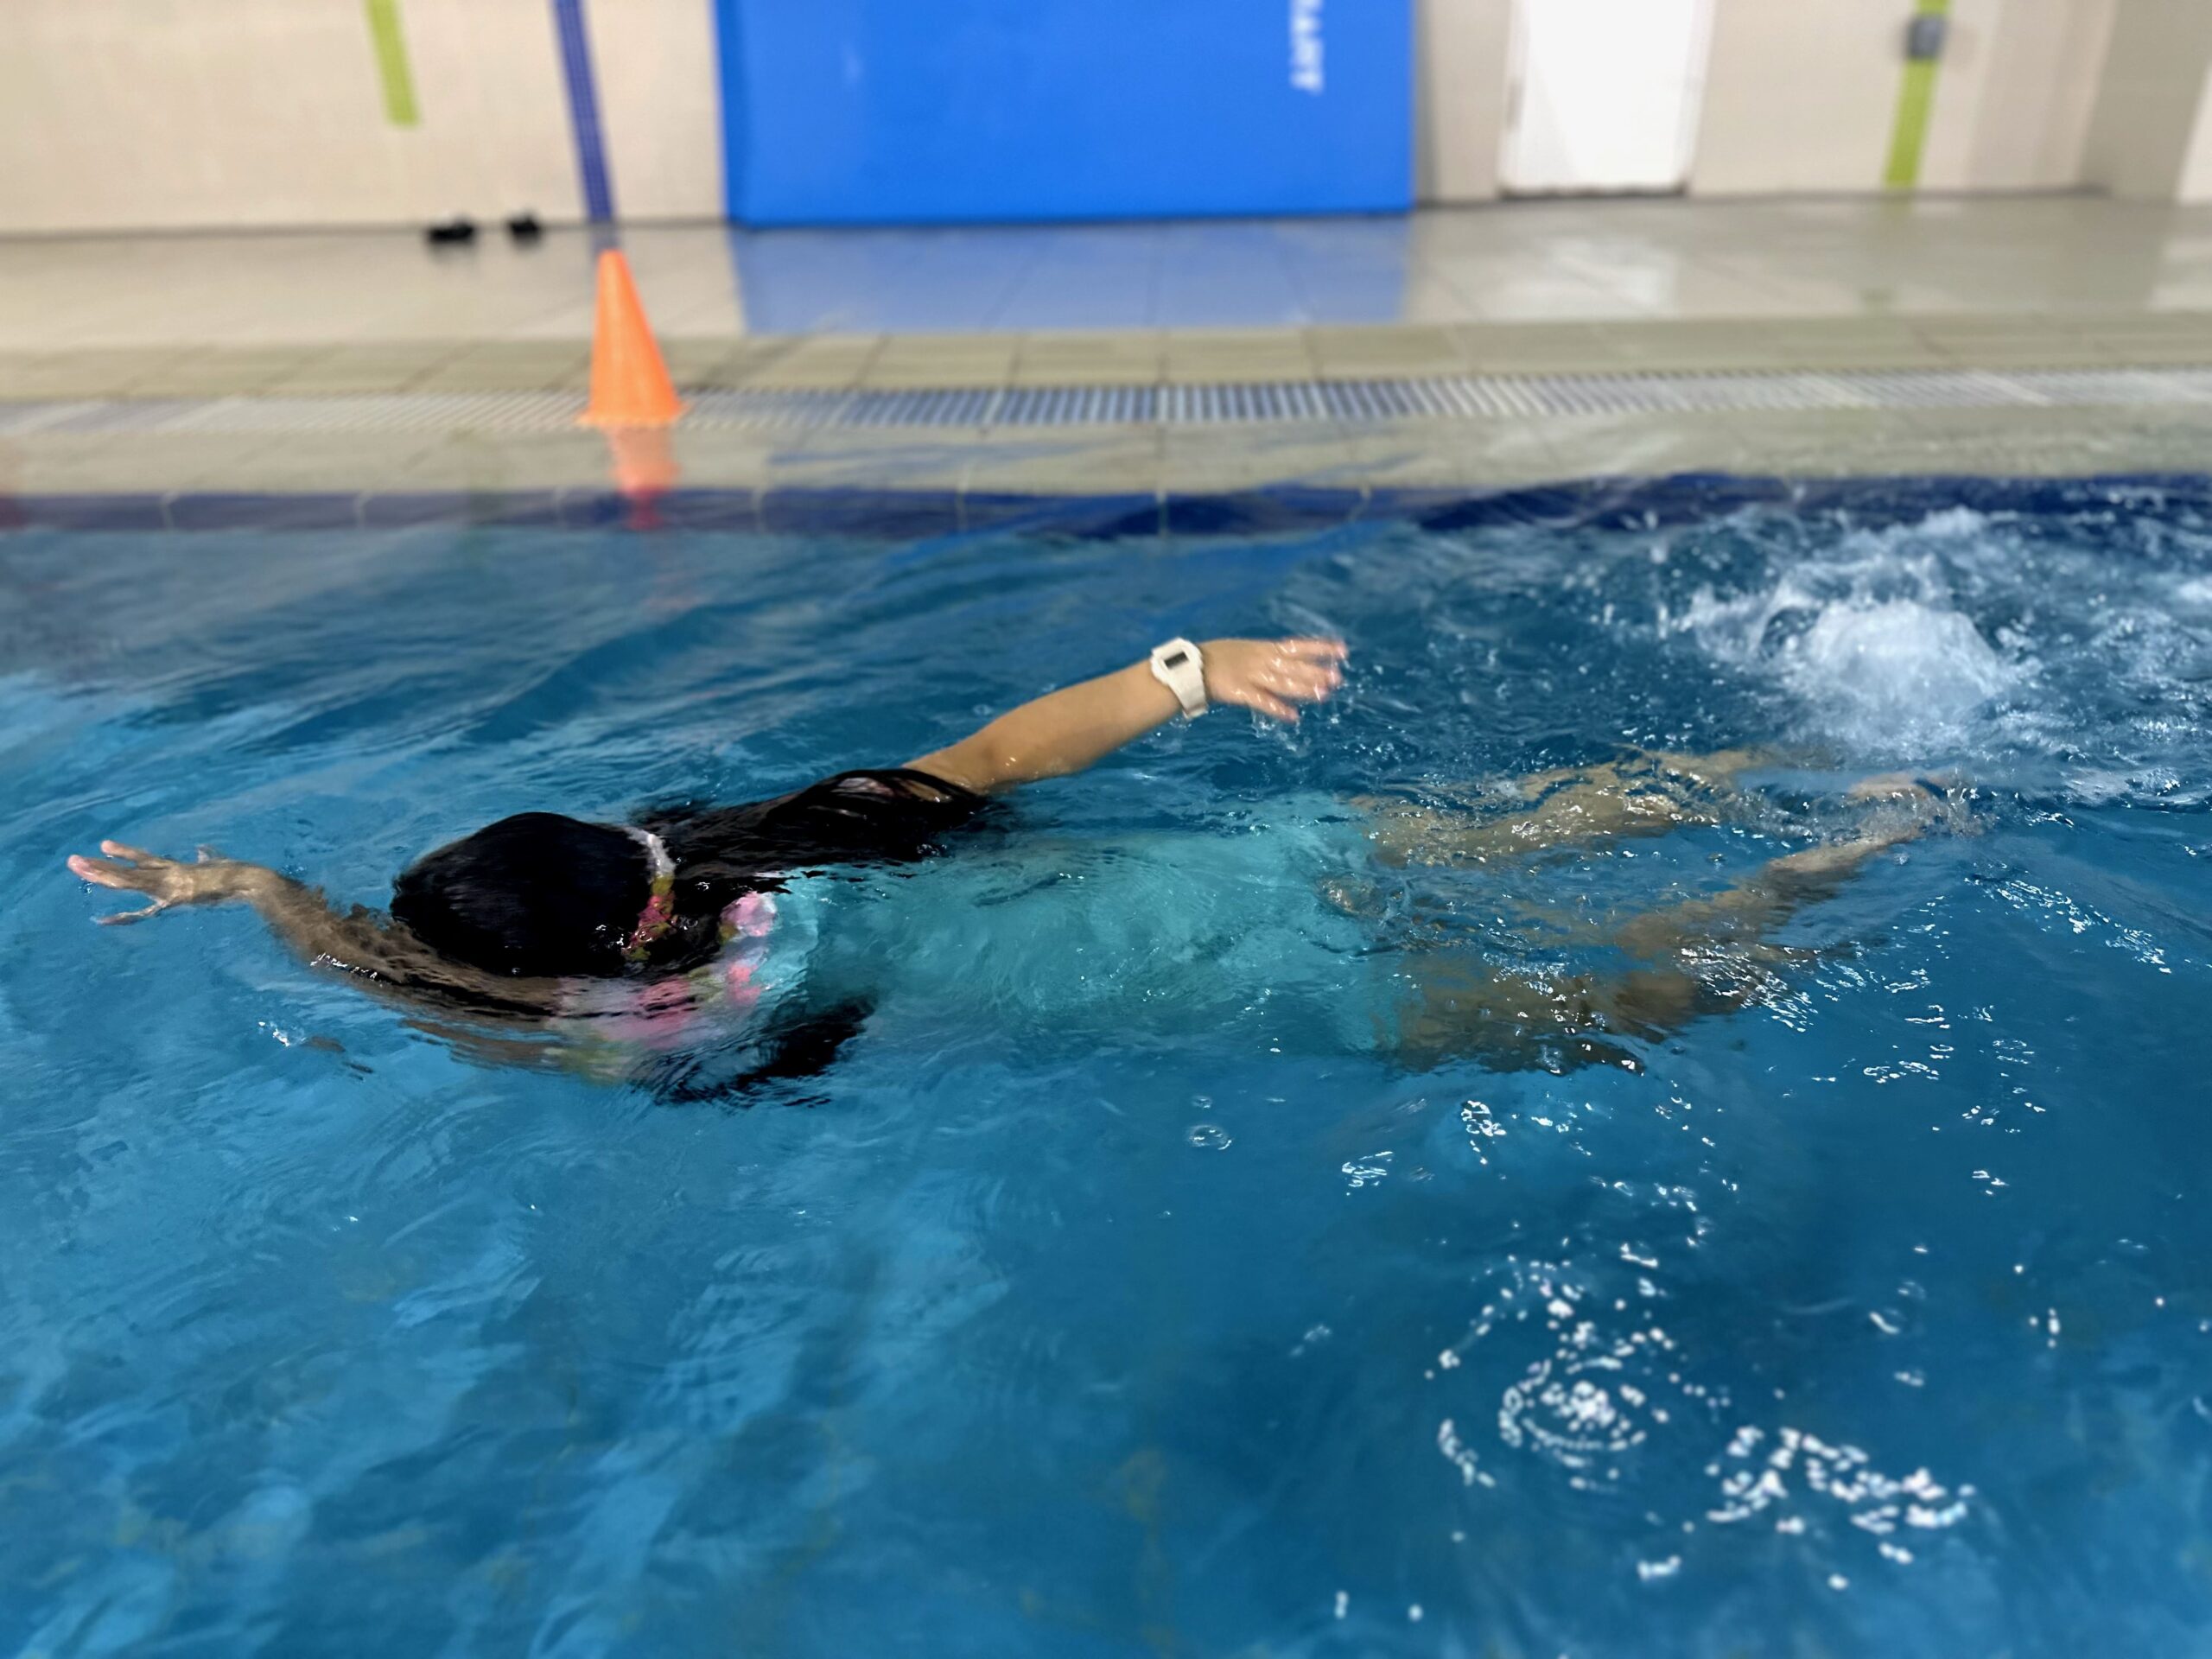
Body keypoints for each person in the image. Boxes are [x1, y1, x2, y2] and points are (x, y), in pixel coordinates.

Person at [65, 635, 1950, 1091]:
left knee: (1608, 994)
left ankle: (1865, 856)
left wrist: (266, 911)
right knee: (1541, 822)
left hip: (1238, 983)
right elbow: (998, 752)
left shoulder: (703, 1000)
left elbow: (453, 1008)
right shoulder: (768, 837)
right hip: (1245, 861)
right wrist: (1189, 672)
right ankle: (1838, 751)